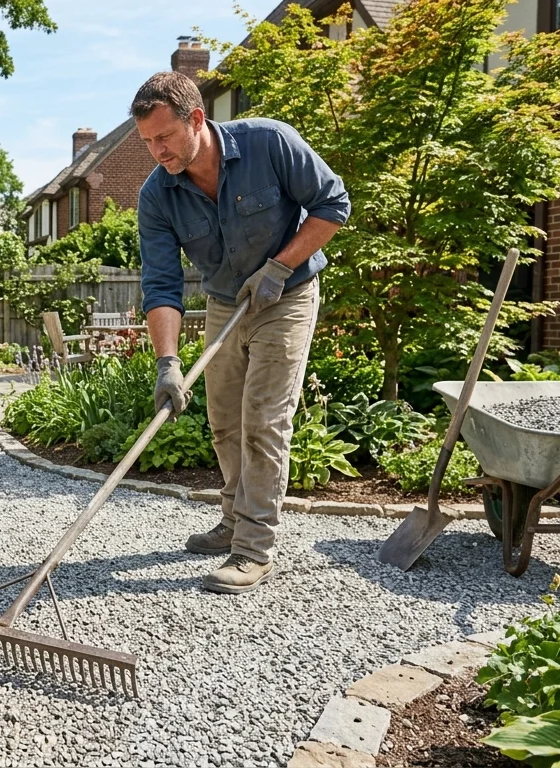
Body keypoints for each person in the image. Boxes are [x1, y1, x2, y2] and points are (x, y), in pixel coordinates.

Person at [131, 71, 350, 594]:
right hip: (227, 301)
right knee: (224, 419)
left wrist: (279, 266)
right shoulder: (157, 196)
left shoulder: (268, 143)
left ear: (197, 120)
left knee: (264, 420)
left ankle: (253, 547)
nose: (156, 151)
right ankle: (232, 519)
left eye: (164, 137)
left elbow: (333, 205)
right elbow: (161, 285)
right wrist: (167, 364)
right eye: (147, 142)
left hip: (287, 295)